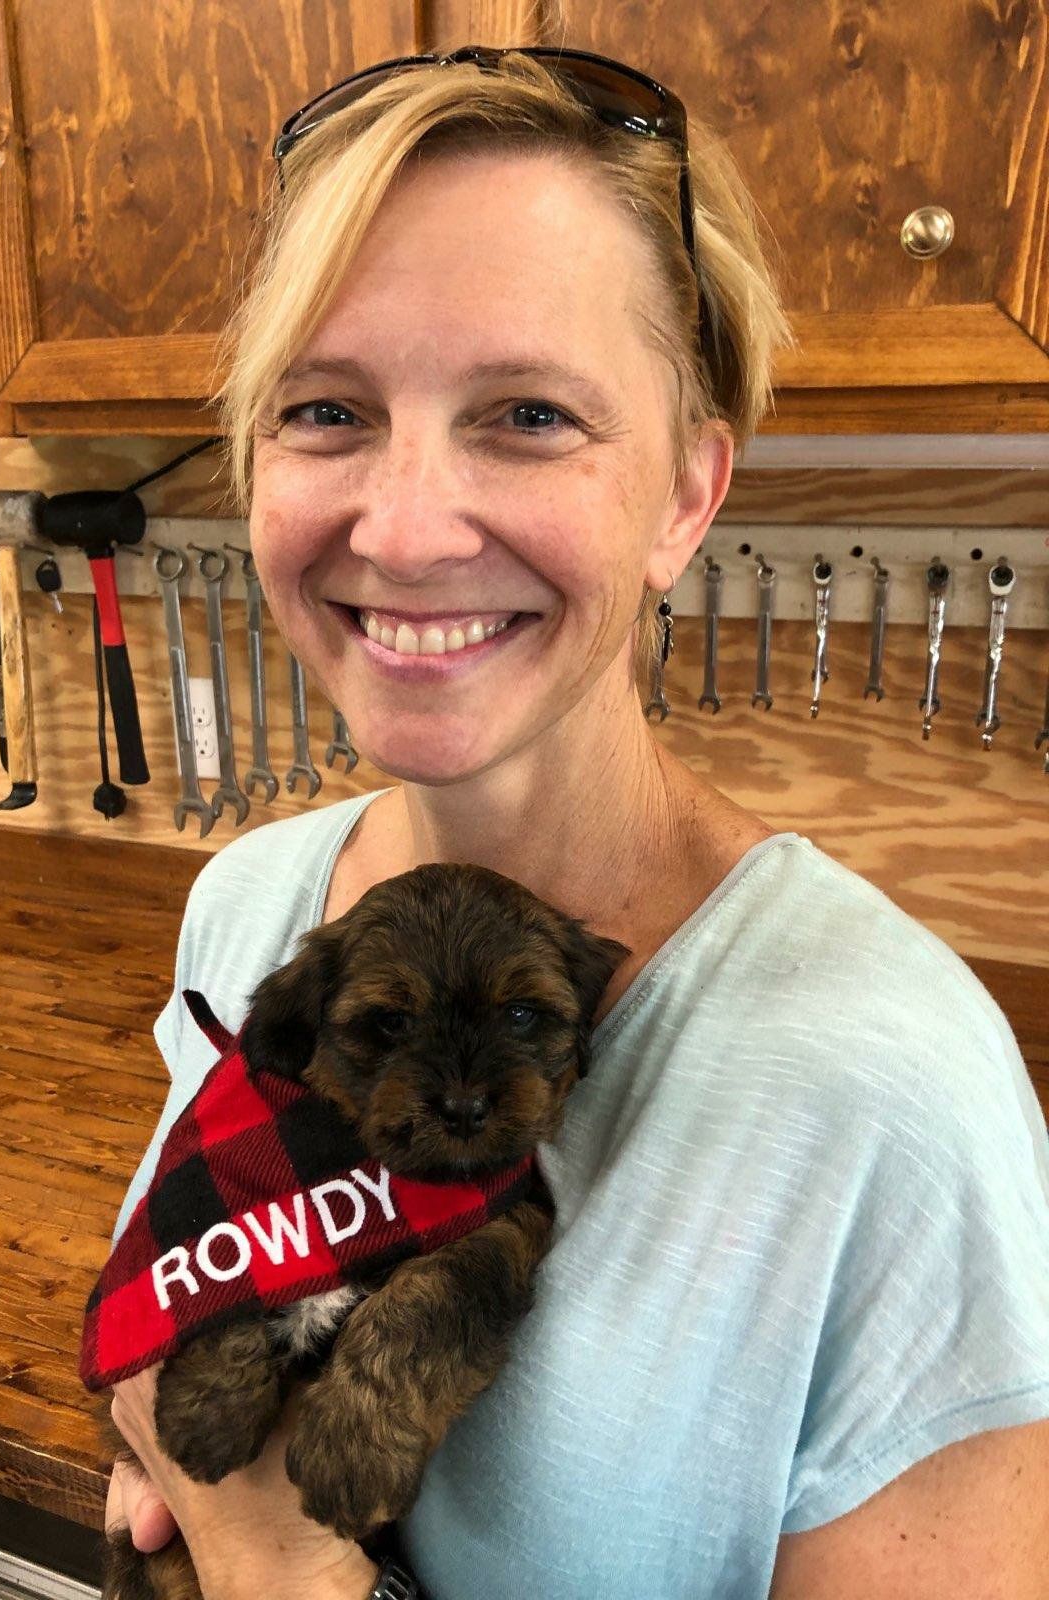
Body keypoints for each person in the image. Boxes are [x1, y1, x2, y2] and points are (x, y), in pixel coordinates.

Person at [102, 45, 1049, 1600]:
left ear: (686, 492)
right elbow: (192, 1330)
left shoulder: (894, 1100)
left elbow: (250, 1521)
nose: (402, 528)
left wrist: (275, 1565)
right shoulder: (252, 910)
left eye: (529, 414)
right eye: (325, 410)